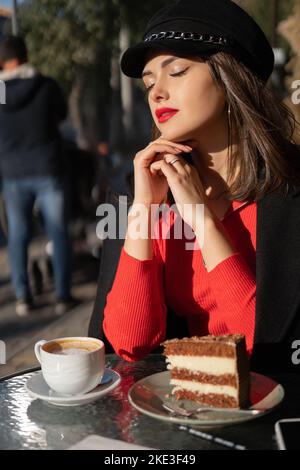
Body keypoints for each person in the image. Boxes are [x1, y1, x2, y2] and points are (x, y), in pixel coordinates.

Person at [94, 0, 300, 372]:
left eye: (176, 71)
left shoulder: (289, 191)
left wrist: (203, 221)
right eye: (149, 83)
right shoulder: (147, 194)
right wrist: (143, 210)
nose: (156, 93)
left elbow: (266, 348)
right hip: (186, 403)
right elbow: (127, 343)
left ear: (229, 75)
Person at [0, 36, 73, 316]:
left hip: (13, 173)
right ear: (26, 54)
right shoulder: (47, 85)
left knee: (18, 235)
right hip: (47, 167)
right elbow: (62, 115)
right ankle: (63, 296)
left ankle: (22, 297)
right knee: (58, 231)